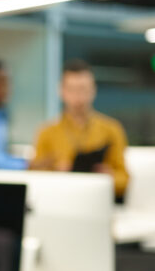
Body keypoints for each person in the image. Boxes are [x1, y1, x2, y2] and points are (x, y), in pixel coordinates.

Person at [33, 59, 129, 198]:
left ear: (93, 90)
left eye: (83, 89)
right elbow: (35, 177)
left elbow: (124, 179)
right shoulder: (46, 132)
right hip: (59, 199)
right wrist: (57, 173)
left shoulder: (111, 129)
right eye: (72, 89)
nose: (78, 97)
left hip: (97, 199)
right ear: (61, 91)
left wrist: (109, 177)